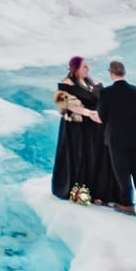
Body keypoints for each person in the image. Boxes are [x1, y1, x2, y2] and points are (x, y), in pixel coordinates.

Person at [50, 56, 115, 204]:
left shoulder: (92, 82)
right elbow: (65, 103)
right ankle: (78, 191)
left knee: (95, 156)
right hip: (76, 128)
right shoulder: (65, 84)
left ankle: (97, 191)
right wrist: (89, 113)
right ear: (76, 68)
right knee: (79, 156)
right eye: (85, 67)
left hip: (94, 126)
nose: (88, 69)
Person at [96, 59, 136, 217]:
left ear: (111, 73)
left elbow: (102, 116)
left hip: (117, 137)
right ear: (124, 73)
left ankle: (127, 204)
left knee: (123, 173)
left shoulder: (106, 93)